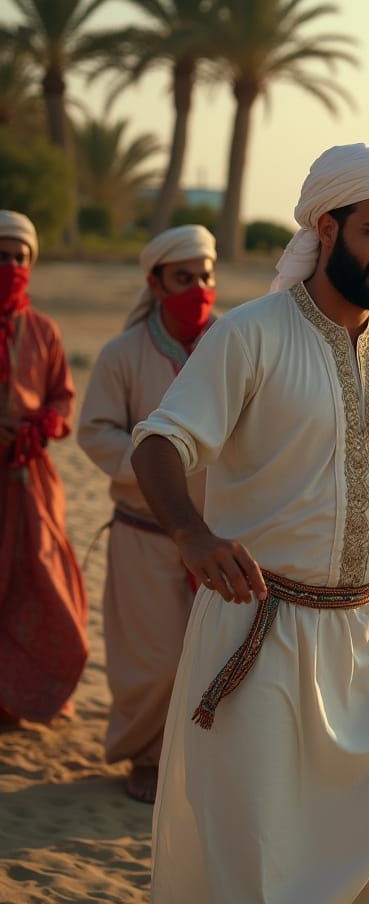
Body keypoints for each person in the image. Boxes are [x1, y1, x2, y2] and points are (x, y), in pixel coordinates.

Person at [130, 144, 369, 904]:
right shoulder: (249, 335)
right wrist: (191, 534)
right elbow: (158, 444)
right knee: (260, 864)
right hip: (263, 633)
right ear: (328, 226)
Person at [77, 224, 218, 803]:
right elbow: (95, 432)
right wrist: (159, 470)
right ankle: (147, 756)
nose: (199, 288)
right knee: (154, 660)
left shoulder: (231, 344)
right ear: (156, 282)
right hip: (144, 530)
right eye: (184, 278)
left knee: (213, 654)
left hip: (218, 534)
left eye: (206, 276)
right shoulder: (122, 354)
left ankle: (200, 761)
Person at [0, 210, 88, 727]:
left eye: (20, 257)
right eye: (2, 256)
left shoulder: (44, 331)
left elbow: (62, 397)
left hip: (30, 482)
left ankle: (20, 697)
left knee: (40, 581)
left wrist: (41, 424)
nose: (11, 266)